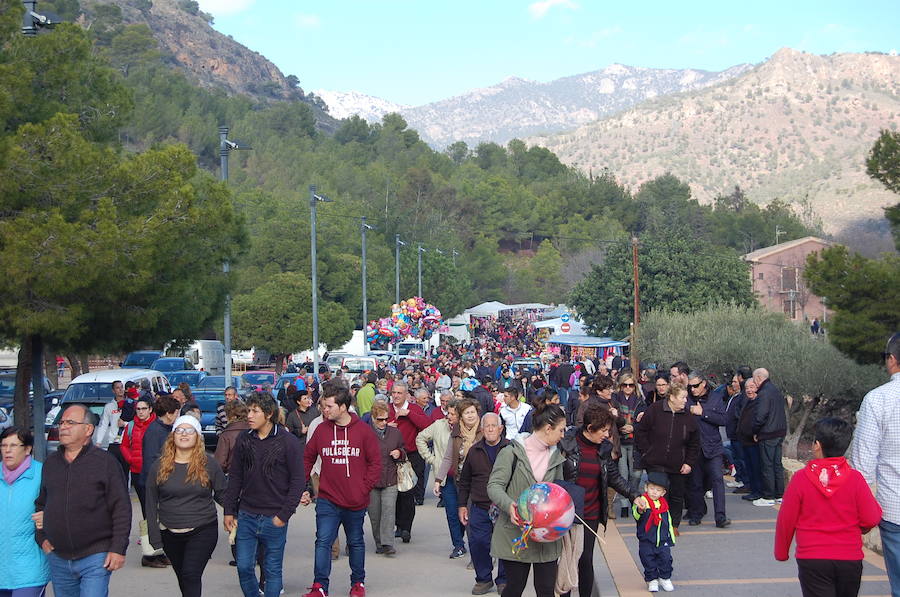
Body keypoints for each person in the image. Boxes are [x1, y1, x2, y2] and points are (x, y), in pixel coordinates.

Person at [776, 418, 882, 597]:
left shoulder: (801, 479)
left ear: (817, 445)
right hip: (849, 557)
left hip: (812, 557)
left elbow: (786, 519)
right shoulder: (855, 479)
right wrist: (861, 528)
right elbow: (871, 517)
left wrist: (781, 551)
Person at [35, 404, 131, 596]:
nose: (63, 427)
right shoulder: (51, 463)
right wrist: (42, 538)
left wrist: (118, 548)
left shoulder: (105, 462)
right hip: (59, 557)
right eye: (61, 422)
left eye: (70, 422)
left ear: (88, 429)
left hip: (95, 555)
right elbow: (42, 504)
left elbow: (121, 507)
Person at [301, 381, 381, 597]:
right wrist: (304, 486)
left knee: (355, 542)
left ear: (343, 407)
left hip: (356, 500)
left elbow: (375, 463)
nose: (324, 410)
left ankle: (358, 583)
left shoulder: (364, 432)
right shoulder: (321, 430)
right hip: (328, 498)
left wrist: (364, 488)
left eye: (329, 406)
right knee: (323, 541)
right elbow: (308, 458)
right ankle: (319, 586)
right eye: (323, 406)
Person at [223, 392, 305, 597]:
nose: (249, 415)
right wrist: (229, 511)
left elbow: (298, 481)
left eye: (254, 411)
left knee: (272, 570)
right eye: (248, 410)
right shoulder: (244, 439)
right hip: (247, 514)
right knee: (243, 567)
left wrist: (284, 515)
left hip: (275, 516)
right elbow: (235, 477)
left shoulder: (288, 441)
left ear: (268, 414)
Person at [487, 403, 568, 597]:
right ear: (548, 428)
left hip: (547, 537)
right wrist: (510, 506)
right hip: (516, 535)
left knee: (546, 590)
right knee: (514, 588)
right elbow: (494, 486)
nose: (563, 435)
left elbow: (558, 491)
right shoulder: (511, 453)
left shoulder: (557, 456)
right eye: (561, 430)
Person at [559, 403, 639, 597]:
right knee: (566, 560)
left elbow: (614, 477)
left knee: (585, 559)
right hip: (566, 512)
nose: (606, 435)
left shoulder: (604, 449)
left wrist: (635, 495)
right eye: (603, 431)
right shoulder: (566, 443)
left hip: (591, 512)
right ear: (589, 429)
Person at [145, 416, 227, 597]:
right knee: (184, 578)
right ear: (172, 435)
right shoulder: (158, 466)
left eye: (189, 430)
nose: (184, 434)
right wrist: (154, 535)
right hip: (169, 532)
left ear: (198, 436)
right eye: (179, 430)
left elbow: (222, 494)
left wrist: (237, 512)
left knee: (190, 574)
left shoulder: (209, 464)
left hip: (202, 529)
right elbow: (150, 503)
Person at [849, 332, 900, 596]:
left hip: (895, 508)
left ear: (892, 359)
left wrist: (861, 516)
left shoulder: (878, 399)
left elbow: (863, 464)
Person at [634, 382, 699, 533]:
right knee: (656, 494)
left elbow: (694, 442)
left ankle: (673, 525)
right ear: (672, 397)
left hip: (678, 463)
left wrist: (689, 462)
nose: (685, 401)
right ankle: (656, 523)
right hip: (655, 462)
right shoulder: (655, 410)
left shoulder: (688, 416)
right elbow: (641, 432)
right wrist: (647, 452)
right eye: (683, 397)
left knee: (676, 495)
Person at [459, 412, 509, 595]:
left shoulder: (510, 449)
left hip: (504, 507)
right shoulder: (474, 451)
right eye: (486, 426)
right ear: (482, 429)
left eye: (493, 425)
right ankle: (484, 579)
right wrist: (462, 505)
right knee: (478, 542)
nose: (490, 429)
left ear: (500, 428)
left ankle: (503, 580)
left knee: (505, 545)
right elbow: (464, 481)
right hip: (480, 505)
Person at [0, 427, 49, 596]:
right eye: (3, 445)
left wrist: (48, 515)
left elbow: (62, 506)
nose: (7, 450)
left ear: (27, 449)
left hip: (30, 568)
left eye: (14, 445)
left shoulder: (42, 473)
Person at [434, 399, 480, 560]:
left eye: (472, 412)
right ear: (461, 416)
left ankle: (477, 556)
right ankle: (458, 545)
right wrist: (438, 479)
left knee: (472, 519)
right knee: (453, 514)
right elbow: (448, 457)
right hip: (457, 480)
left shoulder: (483, 432)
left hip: (477, 484)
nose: (470, 416)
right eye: (466, 413)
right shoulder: (456, 433)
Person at [685, 372, 730, 528]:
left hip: (713, 447)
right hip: (694, 447)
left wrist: (703, 413)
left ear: (703, 384)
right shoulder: (687, 399)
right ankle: (696, 514)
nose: (693, 389)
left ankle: (721, 517)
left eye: (696, 386)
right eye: (690, 386)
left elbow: (724, 419)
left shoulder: (716, 398)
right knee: (695, 483)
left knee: (717, 480)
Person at [388, 381, 430, 538]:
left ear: (406, 394)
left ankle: (406, 528)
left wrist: (409, 414)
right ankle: (398, 525)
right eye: (394, 393)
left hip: (411, 456)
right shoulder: (387, 409)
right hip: (391, 456)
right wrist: (387, 426)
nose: (396, 396)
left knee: (408, 493)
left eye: (399, 393)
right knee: (394, 494)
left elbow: (427, 425)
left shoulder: (414, 409)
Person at [367, 400, 405, 556]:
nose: (383, 422)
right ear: (373, 418)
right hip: (371, 481)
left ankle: (388, 543)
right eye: (380, 419)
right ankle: (379, 542)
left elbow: (404, 449)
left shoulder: (395, 433)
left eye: (386, 419)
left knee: (389, 512)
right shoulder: (365, 433)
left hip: (390, 477)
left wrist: (399, 453)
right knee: (375, 515)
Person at [632, 471, 675, 593]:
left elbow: (668, 522)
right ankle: (652, 580)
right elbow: (636, 515)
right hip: (646, 539)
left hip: (662, 539)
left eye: (658, 490)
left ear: (663, 492)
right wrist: (640, 510)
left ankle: (665, 577)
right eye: (651, 488)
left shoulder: (664, 505)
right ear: (646, 487)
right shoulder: (642, 501)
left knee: (666, 559)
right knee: (648, 560)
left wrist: (670, 537)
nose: (654, 492)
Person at [751, 368, 787, 507]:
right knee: (777, 464)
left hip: (768, 433)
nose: (754, 382)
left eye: (754, 379)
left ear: (759, 378)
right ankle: (779, 494)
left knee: (767, 465)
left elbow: (760, 416)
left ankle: (768, 496)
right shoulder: (775, 390)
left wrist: (755, 431)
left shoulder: (764, 393)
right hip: (779, 432)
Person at [120, 398, 156, 521]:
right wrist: (131, 459)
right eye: (138, 409)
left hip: (153, 470)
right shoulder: (130, 426)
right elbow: (124, 445)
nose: (140, 412)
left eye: (144, 409)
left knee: (155, 503)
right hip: (137, 471)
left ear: (150, 409)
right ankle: (147, 533)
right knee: (144, 503)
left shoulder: (156, 425)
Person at [614, 372, 644, 518]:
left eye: (630, 384)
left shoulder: (640, 401)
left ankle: (633, 497)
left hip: (635, 440)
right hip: (619, 440)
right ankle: (625, 504)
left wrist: (633, 427)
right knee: (623, 474)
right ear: (620, 385)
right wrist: (621, 425)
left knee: (636, 474)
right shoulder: (614, 400)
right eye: (625, 384)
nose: (627, 387)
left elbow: (644, 421)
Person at [737, 379, 765, 502]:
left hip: (754, 441)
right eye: (747, 388)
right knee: (749, 467)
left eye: (752, 387)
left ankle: (758, 491)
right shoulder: (747, 401)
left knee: (756, 467)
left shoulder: (759, 402)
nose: (749, 390)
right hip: (745, 440)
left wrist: (755, 432)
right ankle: (753, 490)